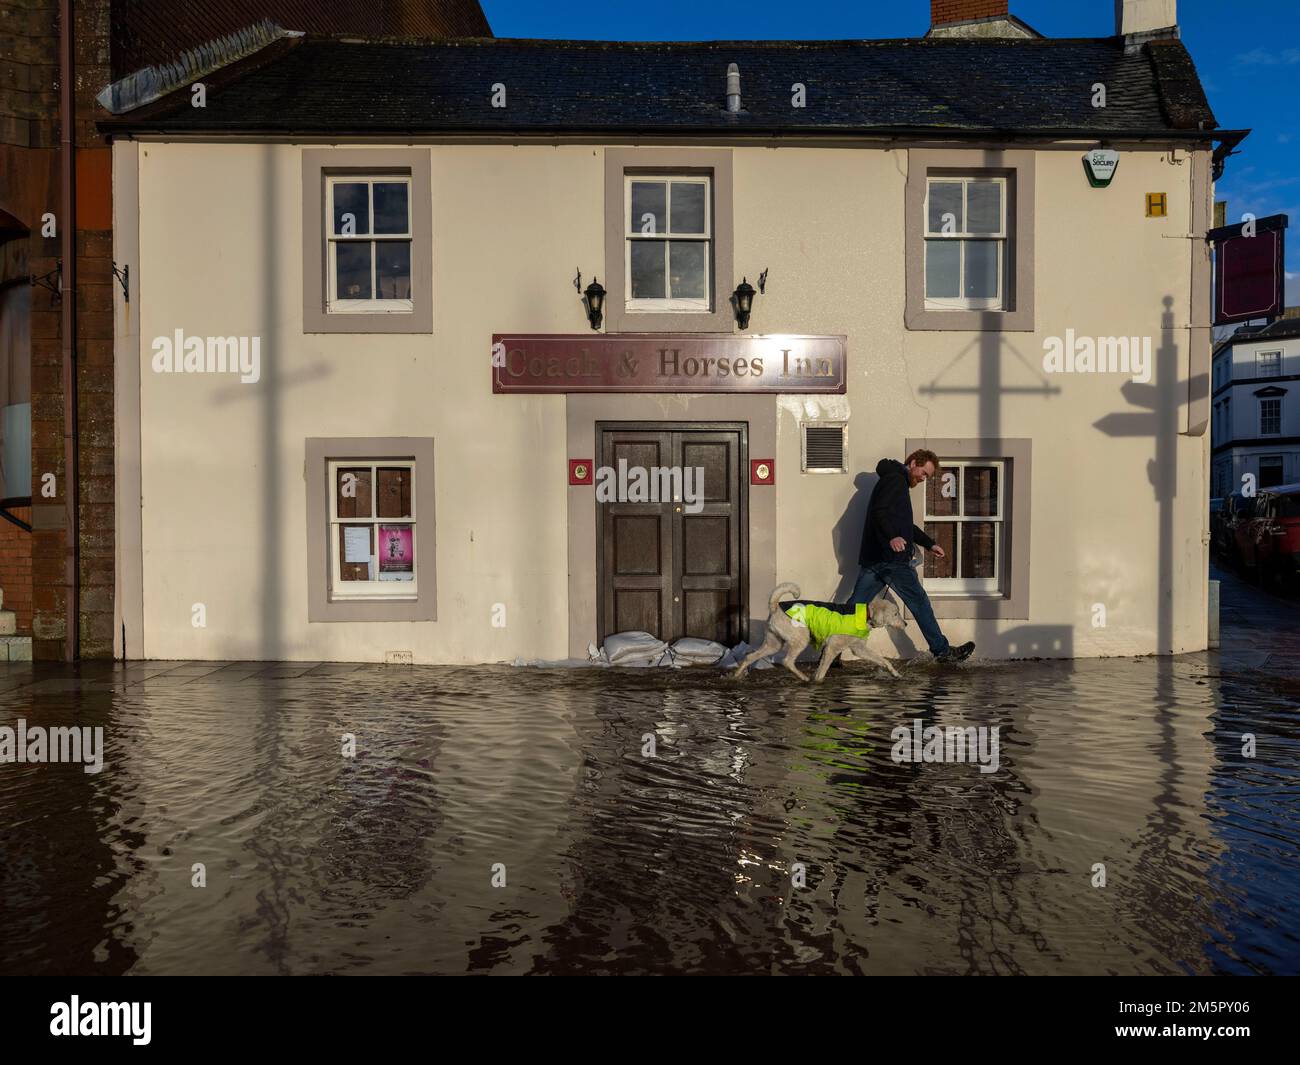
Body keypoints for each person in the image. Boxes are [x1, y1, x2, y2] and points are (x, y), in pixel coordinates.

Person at [847, 449, 975, 663]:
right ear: (913, 462)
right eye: (923, 473)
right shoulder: (895, 481)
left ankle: (829, 649)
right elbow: (879, 512)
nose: (923, 479)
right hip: (893, 560)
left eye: (927, 477)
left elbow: (906, 527)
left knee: (854, 606)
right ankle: (942, 652)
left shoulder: (894, 481)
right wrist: (892, 537)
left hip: (876, 559)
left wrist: (929, 543)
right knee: (920, 602)